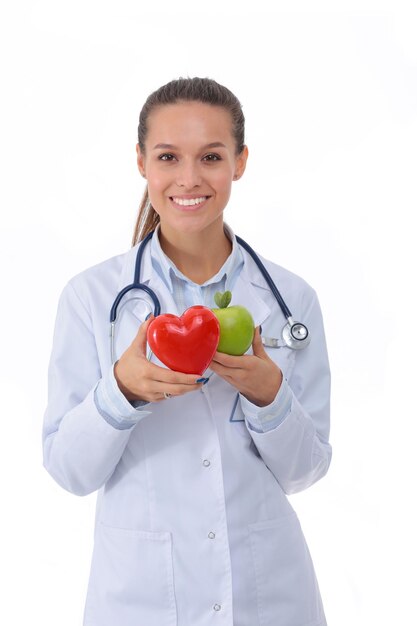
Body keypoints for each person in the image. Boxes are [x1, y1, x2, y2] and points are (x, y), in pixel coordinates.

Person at [42, 77, 332, 626]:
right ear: (141, 161)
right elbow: (69, 471)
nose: (190, 179)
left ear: (240, 162)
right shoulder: (92, 298)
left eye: (212, 156)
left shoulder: (290, 300)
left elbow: (307, 470)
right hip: (142, 600)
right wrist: (120, 392)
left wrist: (270, 397)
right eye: (168, 156)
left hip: (267, 597)